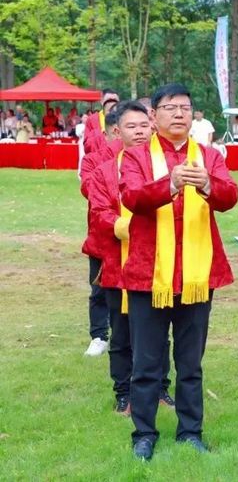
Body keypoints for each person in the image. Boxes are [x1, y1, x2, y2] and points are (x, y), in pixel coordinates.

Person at [119, 83, 238, 460]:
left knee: (190, 362)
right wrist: (168, 184)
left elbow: (231, 195)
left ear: (193, 114)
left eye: (185, 107)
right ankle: (144, 433)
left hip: (197, 275)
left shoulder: (208, 156)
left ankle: (190, 431)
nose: (178, 114)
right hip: (148, 273)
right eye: (169, 107)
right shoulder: (137, 157)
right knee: (147, 363)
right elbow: (132, 198)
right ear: (153, 116)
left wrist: (209, 185)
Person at [86, 100, 173, 415]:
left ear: (152, 127)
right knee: (121, 331)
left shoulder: (161, 166)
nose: (139, 132)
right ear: (116, 131)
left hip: (157, 261)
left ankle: (161, 387)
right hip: (118, 262)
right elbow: (99, 214)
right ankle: (124, 392)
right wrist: (127, 227)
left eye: (143, 126)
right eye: (130, 126)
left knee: (159, 330)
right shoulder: (105, 172)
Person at [79, 109, 123, 357]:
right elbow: (88, 189)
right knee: (99, 288)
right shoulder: (92, 161)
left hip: (134, 235)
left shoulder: (142, 157)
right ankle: (98, 335)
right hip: (101, 234)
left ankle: (124, 336)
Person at [84, 89, 121, 154]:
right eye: (108, 100)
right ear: (101, 101)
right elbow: (87, 145)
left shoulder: (124, 118)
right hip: (99, 155)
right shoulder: (92, 119)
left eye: (115, 100)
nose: (111, 103)